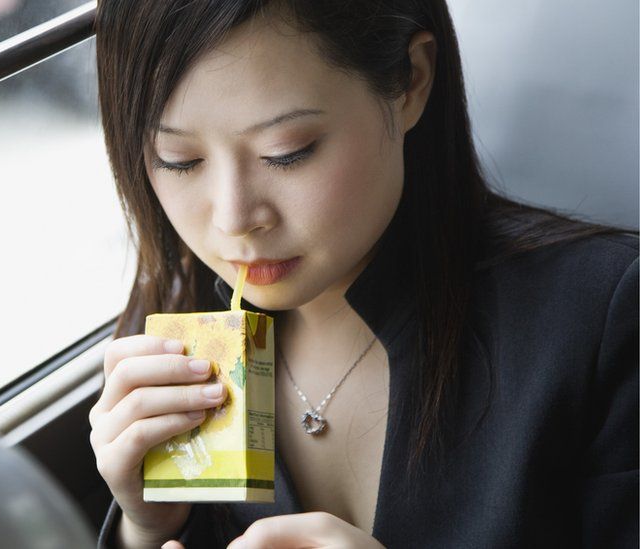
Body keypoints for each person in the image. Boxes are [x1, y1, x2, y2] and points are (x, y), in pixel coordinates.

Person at [86, 1, 639, 547]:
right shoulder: (177, 335)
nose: (235, 219)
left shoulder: (605, 317)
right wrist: (149, 526)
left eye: (287, 152)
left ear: (411, 82)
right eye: (179, 160)